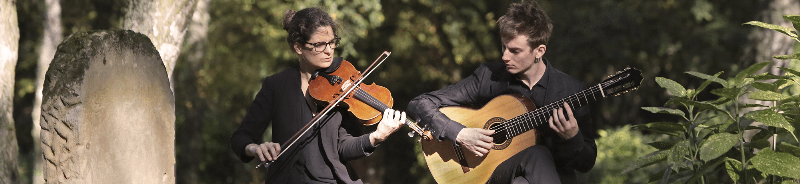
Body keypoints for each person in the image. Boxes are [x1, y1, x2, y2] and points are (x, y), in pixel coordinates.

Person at [407, 1, 596, 183]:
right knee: (537, 154)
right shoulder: (488, 77)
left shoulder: (572, 91)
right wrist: (460, 134)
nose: (505, 56)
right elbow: (419, 104)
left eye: (515, 51)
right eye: (504, 47)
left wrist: (573, 138)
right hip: (490, 175)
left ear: (539, 51)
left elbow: (586, 164)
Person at [230, 7, 406, 184]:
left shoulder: (344, 86)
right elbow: (241, 137)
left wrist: (376, 137)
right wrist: (255, 148)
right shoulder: (277, 85)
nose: (329, 51)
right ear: (299, 47)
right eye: (319, 45)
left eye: (332, 42)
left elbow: (344, 147)